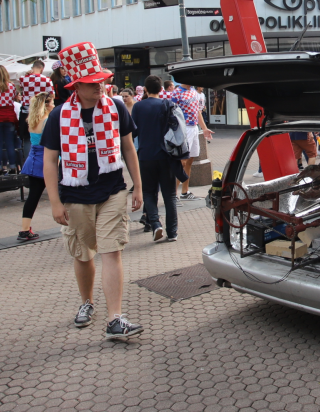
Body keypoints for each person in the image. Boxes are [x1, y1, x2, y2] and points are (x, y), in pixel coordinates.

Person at [41, 42, 143, 340]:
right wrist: (55, 202)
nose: (100, 85)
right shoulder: (59, 115)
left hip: (112, 189)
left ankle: (115, 318)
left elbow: (128, 148)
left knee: (112, 251)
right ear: (76, 86)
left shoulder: (115, 107)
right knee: (83, 254)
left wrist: (137, 185)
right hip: (75, 196)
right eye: (92, 82)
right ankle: (87, 302)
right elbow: (49, 160)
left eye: (101, 80)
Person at [132, 75, 183, 242]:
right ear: (161, 89)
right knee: (169, 195)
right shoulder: (166, 105)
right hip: (166, 155)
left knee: (149, 192)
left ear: (145, 89)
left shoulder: (138, 107)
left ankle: (155, 224)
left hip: (146, 155)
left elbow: (133, 132)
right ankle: (173, 232)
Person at [167, 83, 212, 200]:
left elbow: (198, 112)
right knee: (182, 161)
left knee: (190, 160)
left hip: (194, 127)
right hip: (183, 128)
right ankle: (173, 194)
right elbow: (170, 112)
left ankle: (184, 191)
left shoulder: (194, 92)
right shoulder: (176, 93)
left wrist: (204, 128)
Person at [18, 93, 52, 242]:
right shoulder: (47, 121)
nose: (54, 105)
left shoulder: (33, 121)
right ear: (46, 105)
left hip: (33, 160)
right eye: (51, 103)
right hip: (45, 160)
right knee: (62, 192)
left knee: (33, 196)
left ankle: (25, 229)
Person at [19, 60, 55, 158]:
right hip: (41, 110)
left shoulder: (23, 79)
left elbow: (21, 88)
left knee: (27, 138)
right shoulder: (46, 80)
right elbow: (52, 94)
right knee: (43, 136)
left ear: (32, 67)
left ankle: (28, 160)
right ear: (42, 68)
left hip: (26, 110)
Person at [0, 65, 19, 174]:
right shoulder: (11, 86)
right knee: (9, 144)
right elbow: (13, 98)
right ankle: (12, 167)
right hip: (9, 116)